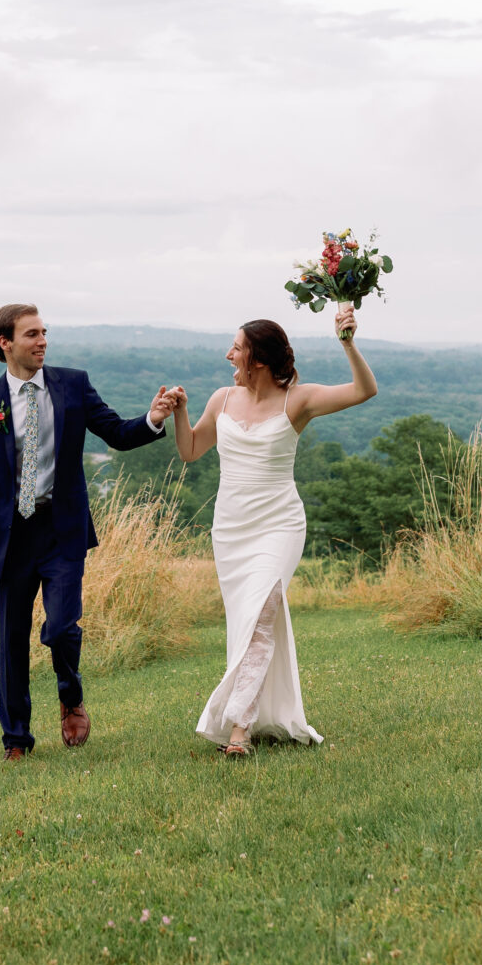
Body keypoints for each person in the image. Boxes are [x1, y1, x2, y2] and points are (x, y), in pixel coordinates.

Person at [0, 303, 176, 760]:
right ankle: (16, 738)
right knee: (11, 641)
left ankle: (70, 695)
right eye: (31, 334)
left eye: (44, 333)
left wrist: (154, 417)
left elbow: (116, 432)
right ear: (6, 343)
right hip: (14, 537)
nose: (42, 341)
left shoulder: (73, 384)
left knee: (61, 628)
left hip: (63, 531)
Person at [166, 302, 377, 755]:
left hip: (279, 525)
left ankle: (238, 731)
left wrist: (348, 341)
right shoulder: (221, 399)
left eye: (237, 348)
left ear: (258, 359)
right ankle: (255, 713)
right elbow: (189, 451)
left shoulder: (296, 400)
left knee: (261, 619)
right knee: (246, 622)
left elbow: (365, 390)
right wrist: (179, 412)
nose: (229, 355)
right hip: (231, 529)